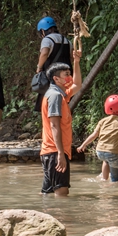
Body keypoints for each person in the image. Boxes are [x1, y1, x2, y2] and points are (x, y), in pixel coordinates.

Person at [39, 49, 82, 196]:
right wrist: (60, 153)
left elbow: (77, 85)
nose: (70, 78)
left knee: (48, 194)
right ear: (56, 79)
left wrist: (76, 61)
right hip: (54, 152)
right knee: (62, 194)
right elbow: (54, 125)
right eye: (66, 75)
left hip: (50, 152)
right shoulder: (56, 96)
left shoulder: (60, 94)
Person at [77, 94, 118, 182]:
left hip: (100, 152)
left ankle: (104, 180)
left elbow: (94, 135)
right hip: (113, 152)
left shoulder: (102, 121)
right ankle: (112, 187)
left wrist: (83, 145)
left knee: (106, 160)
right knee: (115, 180)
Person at [34, 17, 72, 111]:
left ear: (43, 31)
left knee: (49, 103)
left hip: (53, 77)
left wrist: (39, 67)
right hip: (66, 77)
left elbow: (44, 53)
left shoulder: (47, 39)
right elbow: (71, 57)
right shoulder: (67, 41)